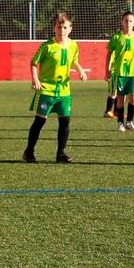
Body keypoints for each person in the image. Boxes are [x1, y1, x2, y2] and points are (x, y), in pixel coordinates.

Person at [23, 13, 88, 163]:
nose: (62, 30)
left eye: (65, 27)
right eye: (59, 27)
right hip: (46, 90)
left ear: (70, 29)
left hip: (64, 91)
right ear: (54, 28)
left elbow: (74, 61)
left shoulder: (73, 45)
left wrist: (81, 70)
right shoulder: (47, 46)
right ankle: (29, 151)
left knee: (65, 121)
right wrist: (35, 79)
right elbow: (33, 62)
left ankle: (60, 153)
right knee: (40, 121)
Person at [107, 11, 134, 132]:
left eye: (130, 21)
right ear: (122, 22)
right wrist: (107, 71)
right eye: (126, 20)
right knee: (120, 99)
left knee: (133, 98)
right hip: (120, 73)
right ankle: (120, 123)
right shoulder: (116, 37)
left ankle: (129, 122)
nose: (128, 23)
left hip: (133, 73)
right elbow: (109, 54)